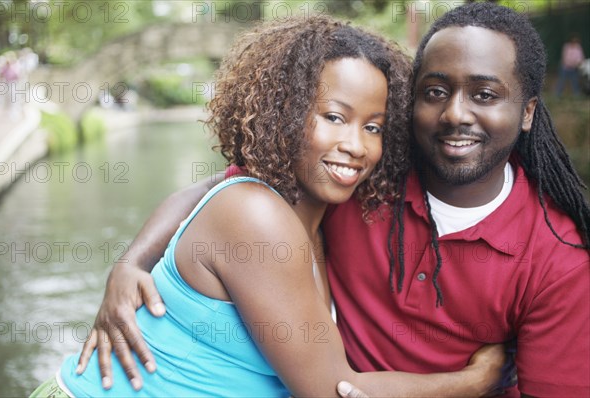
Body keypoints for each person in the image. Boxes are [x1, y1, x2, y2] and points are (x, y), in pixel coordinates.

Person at [78, 3, 590, 397]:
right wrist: (129, 263)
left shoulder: (556, 258)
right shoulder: (351, 185)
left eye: (484, 94)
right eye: (434, 91)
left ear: (526, 112)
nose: (456, 113)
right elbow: (216, 187)